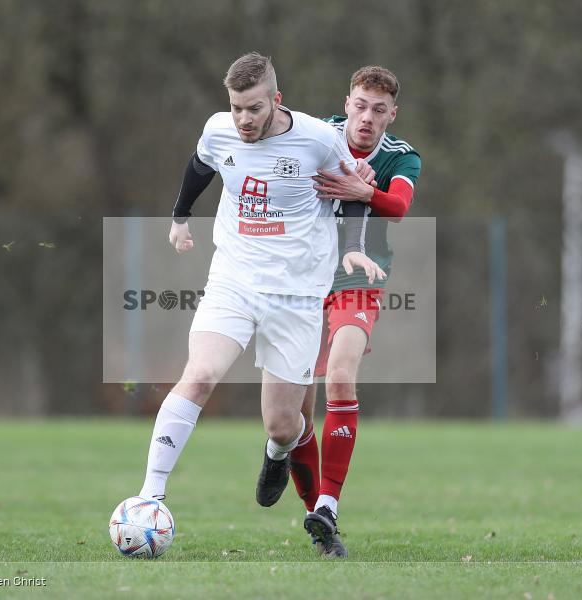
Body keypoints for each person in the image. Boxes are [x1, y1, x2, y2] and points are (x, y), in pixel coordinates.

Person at [136, 53, 385, 513]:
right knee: (200, 375)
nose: (243, 119)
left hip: (298, 293)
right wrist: (180, 217)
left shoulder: (318, 139)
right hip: (234, 278)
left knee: (283, 425)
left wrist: (353, 245)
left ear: (276, 99)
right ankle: (149, 497)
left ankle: (276, 452)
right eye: (236, 108)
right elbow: (200, 165)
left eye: (254, 108)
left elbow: (351, 192)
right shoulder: (218, 129)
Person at [288, 66, 422, 557]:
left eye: (379, 110)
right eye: (361, 106)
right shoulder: (315, 138)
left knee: (340, 377)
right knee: (291, 414)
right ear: (346, 103)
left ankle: (326, 509)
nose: (368, 118)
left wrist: (363, 192)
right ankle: (282, 457)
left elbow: (399, 206)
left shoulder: (402, 156)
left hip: (357, 279)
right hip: (300, 277)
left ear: (392, 114)